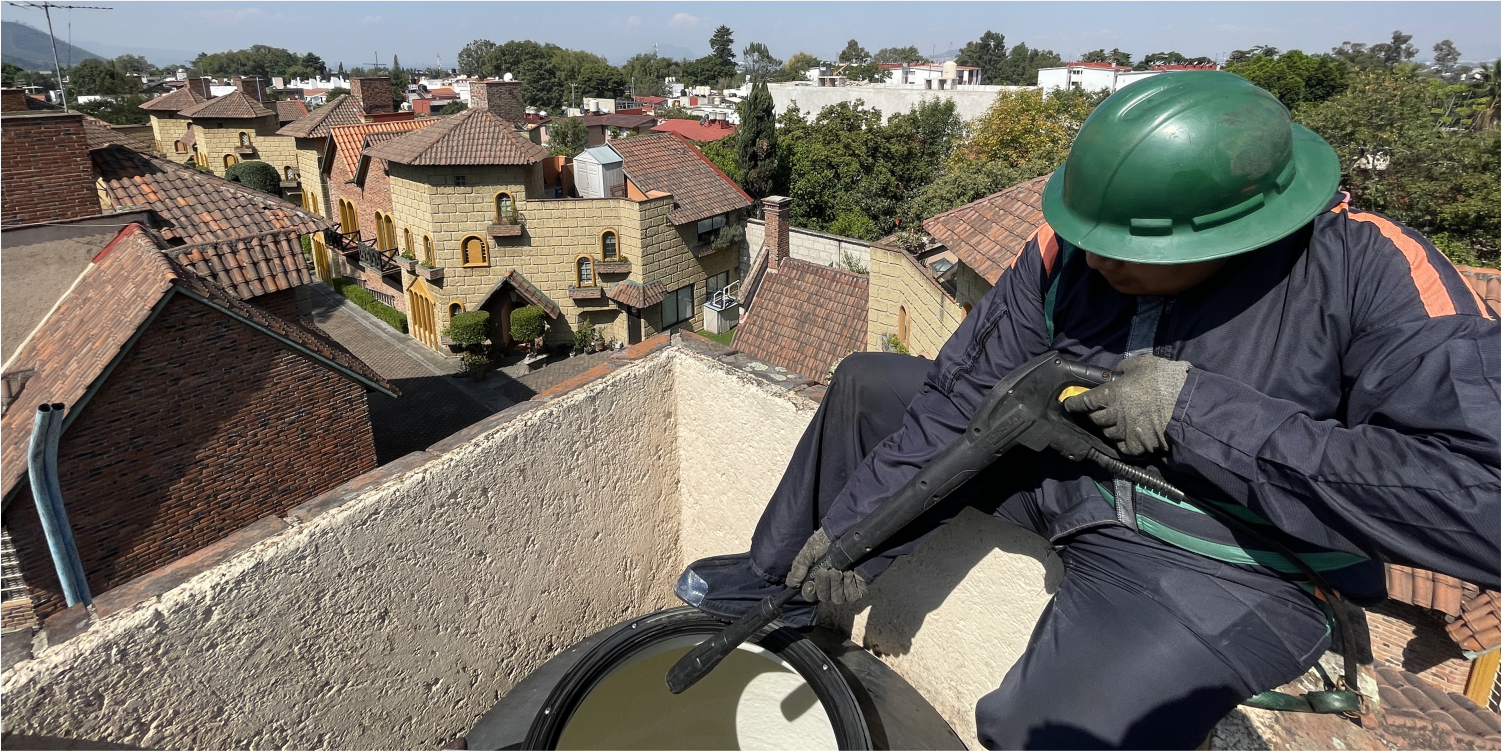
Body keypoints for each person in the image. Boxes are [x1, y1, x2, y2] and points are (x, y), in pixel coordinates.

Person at [675, 71, 1501, 749]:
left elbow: (1478, 507)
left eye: (1131, 249)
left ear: (1235, 234)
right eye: (1090, 235)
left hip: (1224, 552)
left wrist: (1199, 414)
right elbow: (959, 399)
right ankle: (782, 577)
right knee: (870, 383)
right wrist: (856, 533)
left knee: (1045, 733)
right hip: (1067, 472)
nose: (1097, 260)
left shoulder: (1371, 271)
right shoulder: (1068, 250)